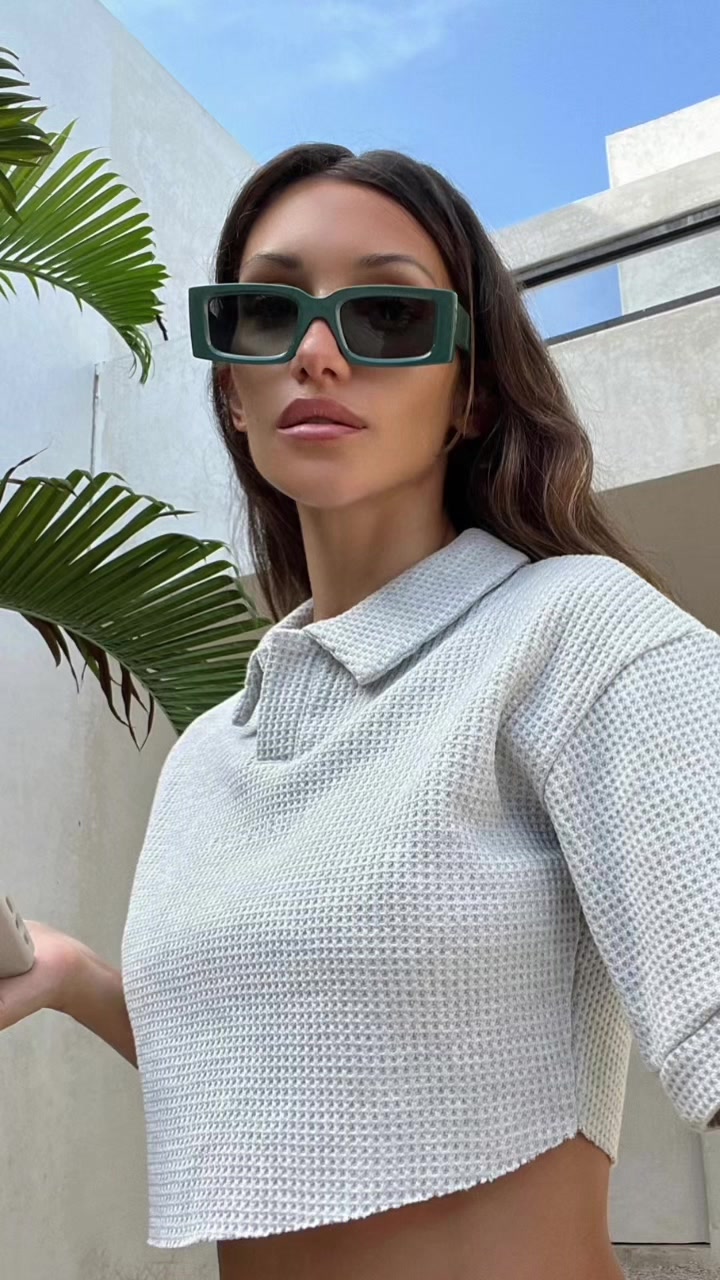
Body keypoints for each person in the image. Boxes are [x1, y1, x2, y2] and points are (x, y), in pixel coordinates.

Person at [2, 143, 719, 1280]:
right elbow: (298, 1085)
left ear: (472, 390)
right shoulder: (211, 752)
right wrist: (79, 977)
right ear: (231, 387)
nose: (317, 352)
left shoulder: (574, 632)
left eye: (387, 315)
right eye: (265, 311)